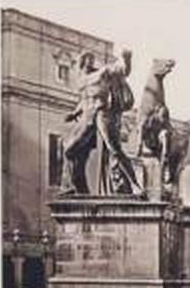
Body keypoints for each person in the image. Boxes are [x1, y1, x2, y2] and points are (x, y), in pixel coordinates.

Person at [59, 49, 144, 197]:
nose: (90, 61)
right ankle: (77, 188)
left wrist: (126, 58)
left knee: (114, 149)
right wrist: (74, 113)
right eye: (87, 58)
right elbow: (84, 100)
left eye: (91, 58)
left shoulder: (102, 73)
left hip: (102, 114)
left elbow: (122, 70)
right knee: (70, 150)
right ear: (82, 62)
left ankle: (135, 185)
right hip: (87, 118)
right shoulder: (81, 80)